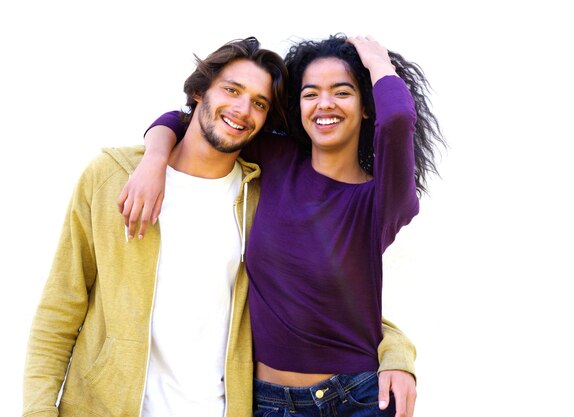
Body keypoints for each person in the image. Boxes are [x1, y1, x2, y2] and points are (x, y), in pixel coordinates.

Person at [23, 36, 416, 417]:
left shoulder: (275, 191)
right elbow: (60, 308)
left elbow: (328, 302)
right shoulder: (117, 177)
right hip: (128, 405)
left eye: (259, 103)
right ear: (199, 91)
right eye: (231, 89)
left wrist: (396, 353)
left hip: (288, 403)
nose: (243, 110)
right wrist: (154, 158)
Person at [121, 34, 443, 417]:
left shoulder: (382, 201)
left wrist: (378, 64)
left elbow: (399, 119)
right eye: (311, 93)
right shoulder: (275, 159)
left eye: (342, 92)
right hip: (267, 402)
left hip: (355, 399)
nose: (324, 104)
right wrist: (153, 160)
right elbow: (189, 120)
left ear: (366, 107)